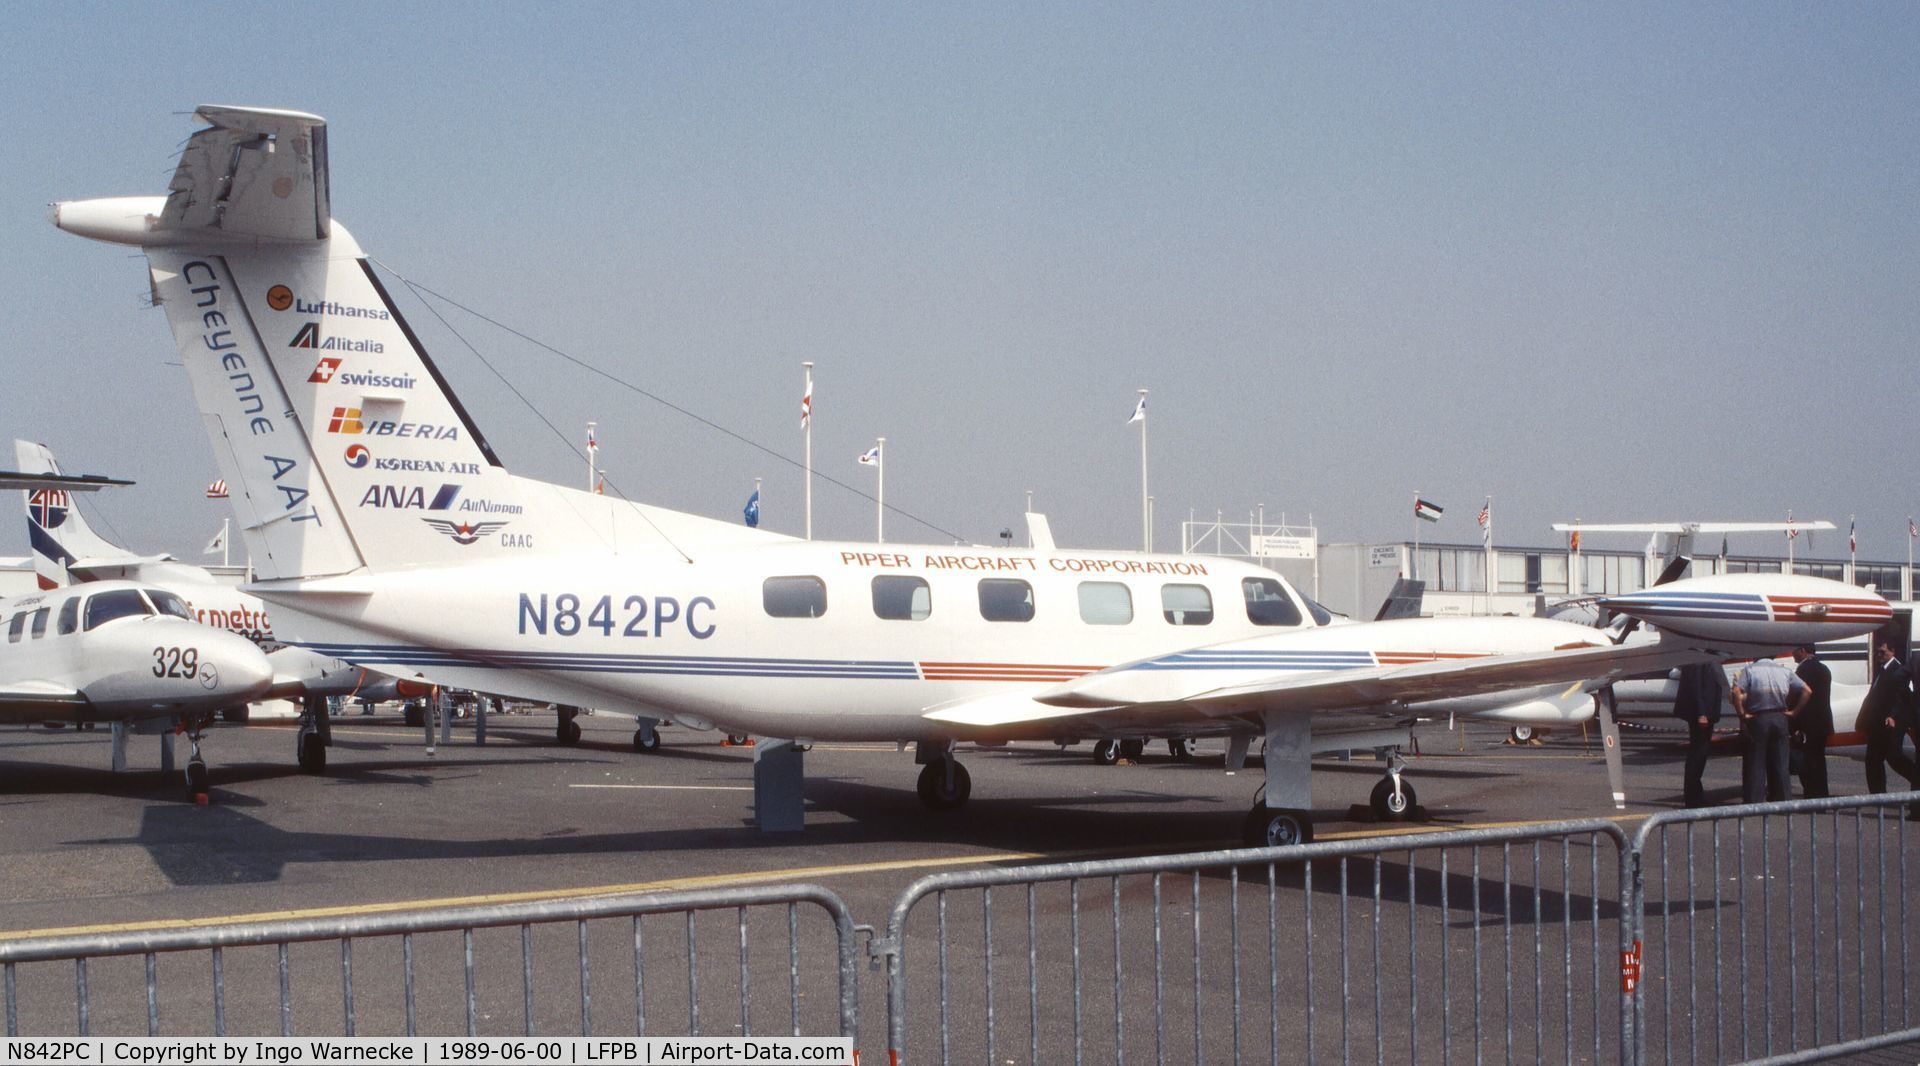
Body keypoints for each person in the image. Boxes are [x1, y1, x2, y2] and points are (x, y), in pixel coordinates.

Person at [1732, 656, 1807, 803]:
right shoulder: (1784, 670)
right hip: (1780, 717)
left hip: (1758, 717)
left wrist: (1741, 713)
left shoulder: (1749, 670)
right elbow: (1807, 690)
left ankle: (1754, 802)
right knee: (1781, 762)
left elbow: (1736, 692)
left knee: (1756, 762)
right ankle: (1783, 801)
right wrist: (1795, 711)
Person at [1859, 640, 1920, 810]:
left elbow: (1902, 696)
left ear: (1893, 651)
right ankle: (1878, 795)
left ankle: (1916, 783)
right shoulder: (1882, 670)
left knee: (1894, 757)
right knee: (1873, 759)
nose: (1878, 655)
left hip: (1891, 723)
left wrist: (1893, 715)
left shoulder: (1898, 669)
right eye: (1878, 652)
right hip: (1876, 723)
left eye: (1882, 652)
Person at [1673, 662, 1724, 808]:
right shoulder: (1699, 659)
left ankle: (1696, 793)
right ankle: (1692, 798)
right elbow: (1695, 687)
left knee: (1700, 754)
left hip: (1707, 712)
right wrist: (1701, 713)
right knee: (1697, 754)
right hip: (1701, 714)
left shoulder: (1707, 657)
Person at [1790, 645, 1833, 798]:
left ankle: (1812, 795)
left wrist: (1793, 723)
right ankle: (1821, 795)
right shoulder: (1824, 668)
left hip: (1808, 724)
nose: (1792, 654)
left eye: (1794, 650)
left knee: (1808, 763)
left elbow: (1797, 696)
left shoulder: (1803, 670)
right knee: (1819, 761)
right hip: (1823, 722)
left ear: (1802, 650)